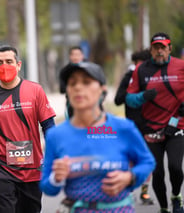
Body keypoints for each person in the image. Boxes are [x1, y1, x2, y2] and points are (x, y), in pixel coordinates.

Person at [40, 62, 155, 213]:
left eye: (86, 82)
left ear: (102, 89)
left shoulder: (123, 128)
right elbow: (47, 187)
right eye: (72, 83)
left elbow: (147, 162)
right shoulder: (56, 135)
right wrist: (56, 178)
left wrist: (130, 178)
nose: (78, 87)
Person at [0, 45, 56, 213]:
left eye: (9, 61)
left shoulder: (36, 91)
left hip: (32, 167)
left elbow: (49, 127)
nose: (4, 66)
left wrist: (53, 158)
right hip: (1, 168)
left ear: (18, 65)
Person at [126, 32, 184, 213]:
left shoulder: (181, 66)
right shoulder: (141, 70)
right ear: (151, 49)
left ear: (169, 49)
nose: (159, 51)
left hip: (177, 126)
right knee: (157, 172)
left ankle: (176, 196)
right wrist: (143, 96)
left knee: (175, 166)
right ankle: (164, 207)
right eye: (156, 48)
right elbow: (129, 99)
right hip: (151, 128)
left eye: (163, 47)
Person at [114, 49, 154, 205]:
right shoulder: (129, 76)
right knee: (130, 160)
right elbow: (118, 99)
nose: (140, 67)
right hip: (133, 125)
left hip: (151, 124)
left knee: (148, 159)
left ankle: (144, 193)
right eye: (138, 64)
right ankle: (129, 192)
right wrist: (135, 95)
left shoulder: (154, 77)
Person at [60, 46, 85, 119]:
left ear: (82, 56)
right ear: (70, 56)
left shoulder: (89, 70)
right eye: (73, 54)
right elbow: (62, 89)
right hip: (72, 104)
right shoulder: (65, 71)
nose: (76, 57)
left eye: (78, 54)